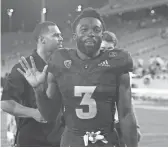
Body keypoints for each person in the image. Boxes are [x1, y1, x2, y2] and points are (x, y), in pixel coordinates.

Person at [17, 8, 138, 147]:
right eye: (84, 29)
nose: (91, 33)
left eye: (96, 30)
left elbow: (126, 114)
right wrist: (38, 90)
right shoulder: (60, 60)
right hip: (72, 143)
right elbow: (49, 115)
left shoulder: (117, 61)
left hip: (106, 143)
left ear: (101, 35)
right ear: (75, 36)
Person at [1, 21, 63, 147]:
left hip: (60, 139)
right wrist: (33, 113)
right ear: (42, 40)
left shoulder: (62, 67)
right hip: (32, 140)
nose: (61, 39)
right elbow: (6, 103)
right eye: (56, 35)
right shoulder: (24, 67)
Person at [101, 31, 141, 145]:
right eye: (103, 49)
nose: (106, 53)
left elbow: (128, 103)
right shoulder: (87, 71)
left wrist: (135, 126)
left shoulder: (122, 72)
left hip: (118, 125)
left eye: (110, 49)